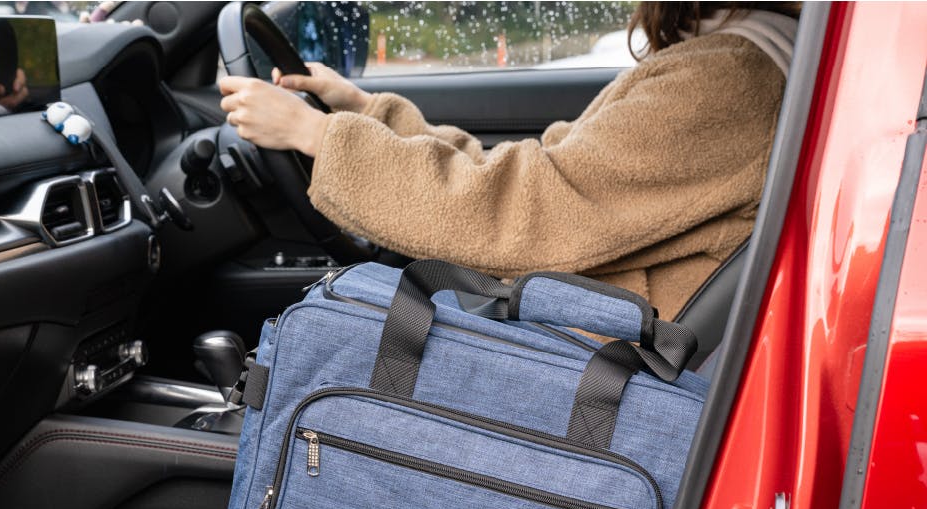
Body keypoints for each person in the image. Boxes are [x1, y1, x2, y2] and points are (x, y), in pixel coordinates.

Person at [218, 2, 799, 318]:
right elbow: (542, 180)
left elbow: (525, 210)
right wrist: (367, 112)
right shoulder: (742, 56)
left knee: (329, 331)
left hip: (604, 363)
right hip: (601, 338)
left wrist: (318, 135)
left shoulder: (727, 80)